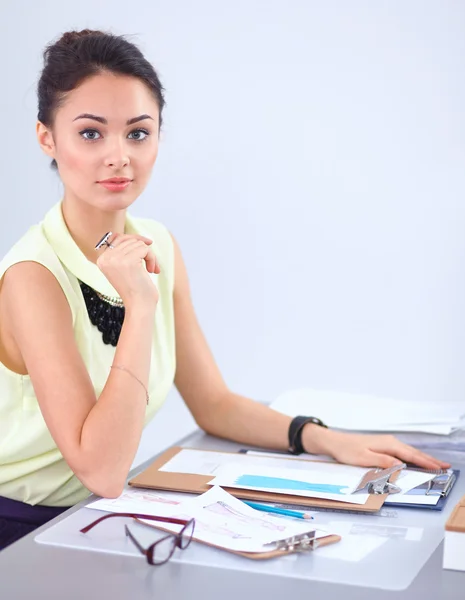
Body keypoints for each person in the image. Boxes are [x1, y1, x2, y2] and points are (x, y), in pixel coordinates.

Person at [0, 29, 449, 551]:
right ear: (46, 138)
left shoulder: (158, 246)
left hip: (102, 517)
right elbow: (101, 467)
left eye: (138, 133)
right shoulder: (34, 275)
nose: (119, 155)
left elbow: (212, 403)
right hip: (24, 529)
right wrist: (141, 307)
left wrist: (325, 438)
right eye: (92, 133)